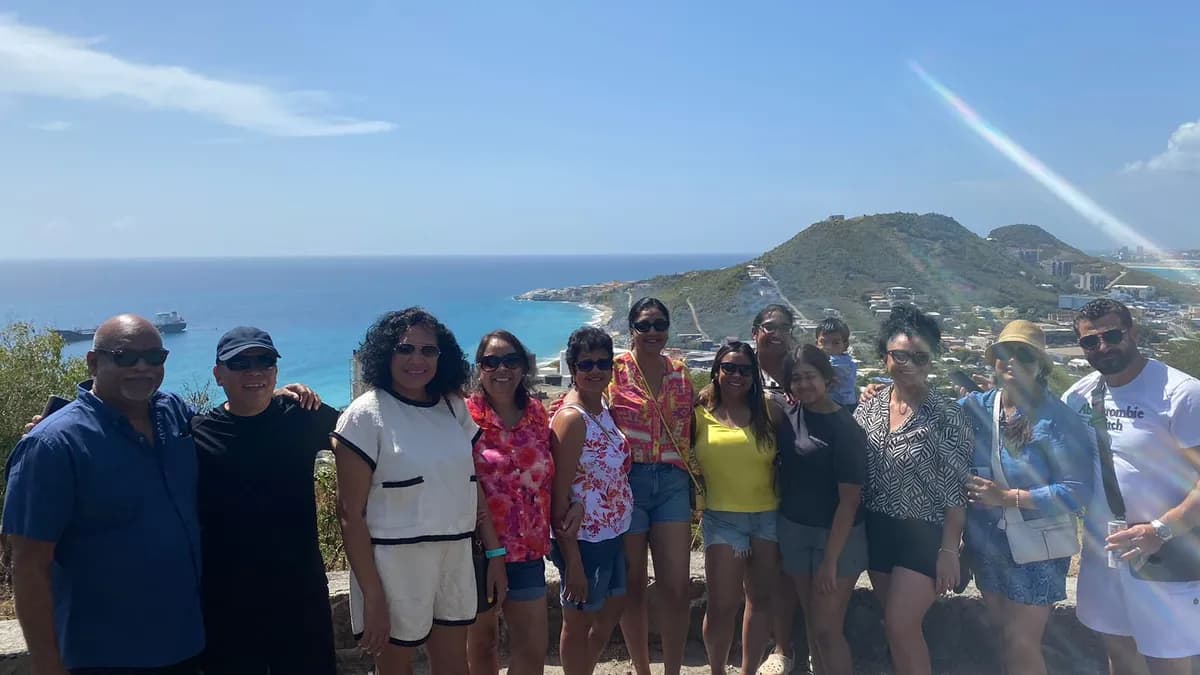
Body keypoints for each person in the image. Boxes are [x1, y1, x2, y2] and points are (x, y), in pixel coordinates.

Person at [4, 315, 206, 675]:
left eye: (155, 357)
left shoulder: (173, 414)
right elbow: (29, 566)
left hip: (185, 643)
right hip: (103, 655)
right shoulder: (52, 446)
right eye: (125, 357)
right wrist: (48, 666)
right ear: (94, 362)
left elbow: (226, 431)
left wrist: (279, 399)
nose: (142, 367)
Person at [331, 308, 506, 675]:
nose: (417, 359)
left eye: (428, 351)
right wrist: (373, 597)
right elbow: (350, 515)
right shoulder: (365, 416)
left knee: (454, 668)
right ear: (385, 353)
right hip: (395, 568)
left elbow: (469, 485)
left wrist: (495, 553)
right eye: (405, 349)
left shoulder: (452, 407)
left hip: (453, 559)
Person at [191, 327, 340, 675]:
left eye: (264, 361)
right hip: (227, 601)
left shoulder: (304, 417)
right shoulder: (196, 433)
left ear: (275, 370)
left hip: (300, 595)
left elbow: (366, 440)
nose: (254, 371)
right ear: (218, 375)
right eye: (240, 363)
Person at [1062, 298, 1200, 674]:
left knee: (1168, 659)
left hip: (1164, 549)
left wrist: (1160, 529)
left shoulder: (1181, 394)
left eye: (1112, 335)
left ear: (1132, 333)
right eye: (1091, 342)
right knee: (1119, 650)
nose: (1103, 347)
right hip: (1106, 549)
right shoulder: (1078, 396)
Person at [958, 320, 1094, 675]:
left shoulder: (1057, 419)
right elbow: (928, 411)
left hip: (1037, 550)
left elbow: (1076, 491)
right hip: (988, 544)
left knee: (1022, 642)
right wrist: (874, 394)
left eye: (1024, 355)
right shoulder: (978, 407)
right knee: (1005, 635)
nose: (1013, 361)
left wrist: (1010, 497)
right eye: (1005, 353)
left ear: (1040, 366)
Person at [852, 305, 971, 675]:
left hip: (925, 534)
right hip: (879, 529)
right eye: (899, 355)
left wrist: (950, 550)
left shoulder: (947, 414)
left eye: (919, 357)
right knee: (895, 626)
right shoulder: (870, 407)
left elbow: (957, 491)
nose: (908, 364)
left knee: (903, 625)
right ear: (885, 356)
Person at [466, 330, 580, 675]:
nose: (502, 369)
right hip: (478, 552)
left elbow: (551, 468)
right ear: (480, 368)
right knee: (483, 646)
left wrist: (575, 501)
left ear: (523, 366)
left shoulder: (536, 414)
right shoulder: (464, 417)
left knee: (531, 650)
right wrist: (493, 552)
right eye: (491, 361)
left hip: (528, 551)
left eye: (511, 360)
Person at [608, 298, 695, 675]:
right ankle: (642, 669)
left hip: (673, 483)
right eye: (644, 325)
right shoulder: (613, 372)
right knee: (633, 587)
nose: (653, 331)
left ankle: (673, 670)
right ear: (632, 330)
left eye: (660, 324)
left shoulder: (680, 373)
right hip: (629, 483)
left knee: (676, 588)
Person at [776, 344, 869, 675]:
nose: (803, 385)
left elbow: (850, 500)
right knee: (814, 623)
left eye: (810, 377)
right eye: (796, 378)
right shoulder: (789, 416)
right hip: (795, 530)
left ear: (827, 379)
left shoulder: (845, 430)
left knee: (828, 630)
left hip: (837, 538)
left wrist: (831, 560)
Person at [691, 342, 783, 675]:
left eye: (745, 369)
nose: (736, 375)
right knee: (721, 606)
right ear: (716, 371)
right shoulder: (699, 414)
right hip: (722, 519)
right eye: (729, 367)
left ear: (754, 375)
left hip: (767, 517)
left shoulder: (770, 412)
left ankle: (747, 671)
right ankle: (717, 670)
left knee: (759, 602)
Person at [549, 327, 634, 675]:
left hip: (611, 532)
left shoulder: (602, 409)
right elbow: (558, 496)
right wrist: (573, 563)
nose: (595, 370)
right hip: (583, 540)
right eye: (586, 364)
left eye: (602, 363)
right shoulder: (572, 419)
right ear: (572, 367)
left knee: (612, 609)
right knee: (577, 623)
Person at [750, 304, 810, 675]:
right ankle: (762, 650)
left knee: (790, 572)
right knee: (758, 576)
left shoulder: (799, 372)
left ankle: (786, 647)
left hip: (797, 485)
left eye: (784, 326)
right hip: (752, 486)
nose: (777, 332)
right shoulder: (741, 368)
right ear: (755, 330)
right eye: (769, 326)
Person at [815, 318, 858, 414]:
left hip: (844, 406)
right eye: (823, 342)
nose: (829, 347)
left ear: (845, 345)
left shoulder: (842, 363)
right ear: (816, 343)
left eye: (835, 343)